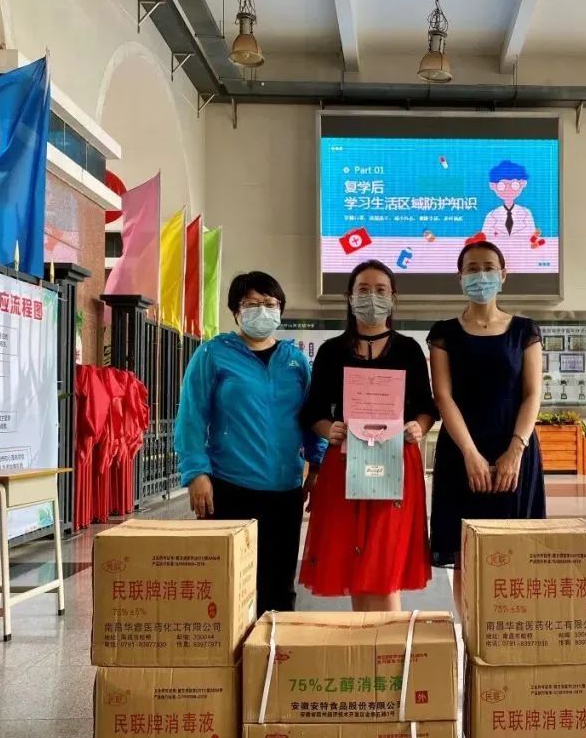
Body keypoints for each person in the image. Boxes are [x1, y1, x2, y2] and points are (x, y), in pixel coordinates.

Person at [174, 271, 325, 614]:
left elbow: (311, 417)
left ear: (281, 309)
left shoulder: (295, 360)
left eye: (270, 303)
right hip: (229, 487)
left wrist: (317, 467)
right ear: (235, 311)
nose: (262, 310)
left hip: (285, 490)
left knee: (279, 587)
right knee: (227, 587)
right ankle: (231, 650)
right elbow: (191, 417)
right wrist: (196, 473)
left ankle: (273, 648)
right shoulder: (213, 354)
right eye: (252, 304)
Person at [299, 261, 436, 612]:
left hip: (396, 461)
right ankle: (368, 637)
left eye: (380, 290)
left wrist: (419, 427)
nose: (371, 297)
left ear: (393, 297)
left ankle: (388, 640)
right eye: (363, 289)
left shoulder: (408, 349)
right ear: (349, 297)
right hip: (347, 460)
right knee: (356, 557)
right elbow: (313, 411)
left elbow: (426, 407)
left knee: (384, 558)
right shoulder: (332, 351)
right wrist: (329, 429)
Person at [428, 240, 546, 572]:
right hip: (461, 452)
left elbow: (532, 394)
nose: (481, 275)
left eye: (489, 268)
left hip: (515, 450)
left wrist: (516, 451)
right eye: (472, 269)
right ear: (460, 277)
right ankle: (468, 613)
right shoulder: (444, 333)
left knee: (516, 553)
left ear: (503, 275)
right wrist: (470, 454)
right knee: (464, 556)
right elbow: (443, 397)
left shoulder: (524, 330)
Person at [482, 160, 536, 241]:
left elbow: (533, 240)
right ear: (493, 186)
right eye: (502, 185)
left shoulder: (527, 214)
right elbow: (484, 242)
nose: (508, 189)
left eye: (514, 184)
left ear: (523, 184)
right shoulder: (491, 216)